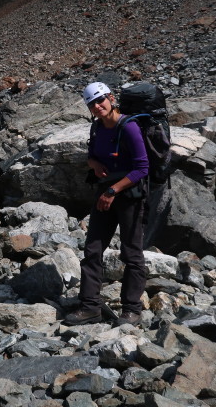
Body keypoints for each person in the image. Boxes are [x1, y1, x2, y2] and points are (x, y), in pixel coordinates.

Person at [65, 82, 149, 327]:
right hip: (106, 194)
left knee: (131, 253)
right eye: (92, 103)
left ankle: (132, 310)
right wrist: (94, 164)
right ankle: (90, 307)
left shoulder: (129, 127)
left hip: (129, 196)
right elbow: (92, 154)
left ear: (111, 98)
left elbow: (142, 168)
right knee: (92, 249)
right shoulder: (98, 127)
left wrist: (112, 190)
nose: (97, 106)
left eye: (100, 100)